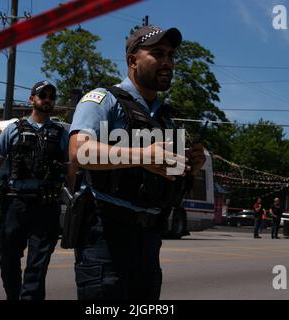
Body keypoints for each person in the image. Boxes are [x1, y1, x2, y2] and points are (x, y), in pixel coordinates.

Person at [69, 25, 205, 300]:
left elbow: (167, 177)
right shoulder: (103, 100)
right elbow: (78, 151)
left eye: (170, 55)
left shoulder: (165, 118)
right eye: (157, 54)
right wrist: (144, 156)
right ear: (132, 60)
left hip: (149, 239)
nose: (168, 62)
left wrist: (191, 165)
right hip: (106, 235)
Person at [0, 81, 69, 300]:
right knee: (8, 260)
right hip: (15, 204)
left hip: (46, 205)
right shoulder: (13, 129)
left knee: (37, 266)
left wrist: (74, 199)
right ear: (32, 99)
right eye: (43, 95)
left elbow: (71, 167)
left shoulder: (60, 133)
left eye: (51, 96)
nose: (47, 99)